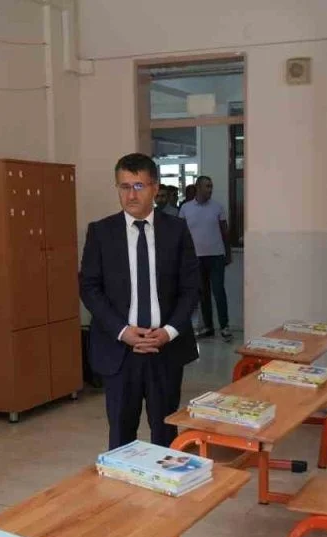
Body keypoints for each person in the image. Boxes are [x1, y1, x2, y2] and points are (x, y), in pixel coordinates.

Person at [80, 153, 200, 450]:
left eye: (138, 186)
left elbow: (191, 288)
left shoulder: (176, 230)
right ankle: (124, 482)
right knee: (121, 435)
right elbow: (89, 288)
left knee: (165, 432)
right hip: (120, 350)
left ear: (155, 188)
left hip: (165, 349)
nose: (131, 195)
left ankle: (164, 480)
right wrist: (123, 331)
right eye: (124, 187)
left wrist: (169, 331)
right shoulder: (101, 232)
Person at [179, 176, 232, 340]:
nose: (210, 189)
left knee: (218, 291)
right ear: (198, 187)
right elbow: (181, 235)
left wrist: (228, 253)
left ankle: (225, 327)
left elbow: (224, 232)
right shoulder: (186, 208)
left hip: (216, 256)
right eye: (207, 186)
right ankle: (208, 327)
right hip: (196, 258)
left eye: (211, 186)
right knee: (203, 294)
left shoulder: (217, 207)